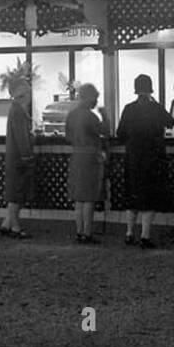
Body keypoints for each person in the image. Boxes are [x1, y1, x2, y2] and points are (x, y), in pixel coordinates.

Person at [117, 74, 174, 249]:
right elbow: (171, 122)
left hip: (133, 158)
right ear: (150, 89)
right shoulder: (156, 108)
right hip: (154, 158)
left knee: (132, 195)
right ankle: (145, 235)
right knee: (150, 197)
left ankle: (128, 232)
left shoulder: (128, 109)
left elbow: (120, 134)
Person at [66, 83, 106, 244]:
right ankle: (87, 233)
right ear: (90, 98)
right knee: (89, 198)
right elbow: (104, 131)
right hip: (90, 158)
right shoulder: (91, 116)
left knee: (78, 199)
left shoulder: (71, 115)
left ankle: (79, 231)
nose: (96, 101)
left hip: (76, 157)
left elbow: (67, 137)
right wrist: (105, 115)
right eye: (95, 98)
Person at [0, 75, 35, 239]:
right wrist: (27, 155)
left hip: (13, 156)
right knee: (16, 194)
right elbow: (22, 136)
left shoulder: (15, 108)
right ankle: (15, 227)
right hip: (19, 158)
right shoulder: (18, 110)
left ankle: (6, 223)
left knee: (15, 191)